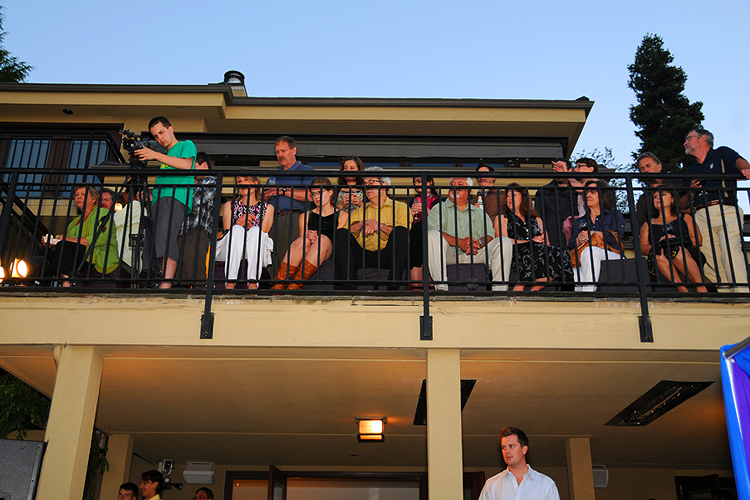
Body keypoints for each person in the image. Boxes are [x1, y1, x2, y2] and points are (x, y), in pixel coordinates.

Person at [682, 128, 750, 293]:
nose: (685, 143)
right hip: (699, 214)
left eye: (689, 138)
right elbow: (682, 205)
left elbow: (739, 161)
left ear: (703, 139)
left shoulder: (721, 154)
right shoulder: (690, 171)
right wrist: (692, 191)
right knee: (709, 257)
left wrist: (746, 168)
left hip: (725, 208)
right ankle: (726, 293)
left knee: (730, 250)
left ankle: (741, 293)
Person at [135, 116, 196, 289]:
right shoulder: (165, 156)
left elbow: (186, 165)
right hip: (159, 200)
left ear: (171, 129)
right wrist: (149, 196)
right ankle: (153, 280)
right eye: (156, 136)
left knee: (166, 238)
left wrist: (155, 155)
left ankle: (165, 284)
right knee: (152, 240)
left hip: (175, 197)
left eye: (161, 132)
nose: (159, 138)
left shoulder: (185, 145)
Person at [427, 177, 512, 291]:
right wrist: (460, 242)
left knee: (504, 241)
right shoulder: (438, 208)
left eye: (460, 184)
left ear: (469, 190)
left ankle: (499, 291)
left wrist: (479, 243)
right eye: (452, 184)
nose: (454, 187)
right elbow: (434, 231)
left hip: (476, 253)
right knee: (432, 234)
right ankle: (441, 287)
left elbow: (490, 235)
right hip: (450, 254)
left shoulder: (478, 212)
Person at [334, 166, 411, 290]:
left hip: (388, 254)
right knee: (341, 233)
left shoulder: (400, 207)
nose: (367, 187)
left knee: (401, 232)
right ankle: (348, 287)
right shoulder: (360, 211)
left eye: (371, 183)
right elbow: (346, 231)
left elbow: (403, 232)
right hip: (363, 254)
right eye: (365, 184)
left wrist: (379, 226)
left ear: (384, 185)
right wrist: (362, 224)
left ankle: (394, 284)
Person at [499, 183, 573, 291]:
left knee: (560, 252)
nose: (510, 198)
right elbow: (502, 241)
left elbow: (546, 242)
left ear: (523, 197)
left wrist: (541, 241)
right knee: (532, 249)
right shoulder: (502, 218)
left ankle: (538, 289)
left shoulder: (536, 219)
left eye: (514, 195)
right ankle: (518, 288)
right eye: (508, 196)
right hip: (516, 252)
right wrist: (530, 241)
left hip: (537, 251)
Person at [41, 185, 119, 286]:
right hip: (77, 256)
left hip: (93, 254)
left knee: (64, 246)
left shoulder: (102, 212)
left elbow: (101, 239)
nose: (79, 197)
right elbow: (66, 242)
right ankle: (41, 284)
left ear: (94, 199)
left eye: (83, 194)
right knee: (46, 251)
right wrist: (53, 244)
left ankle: (66, 283)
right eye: (76, 195)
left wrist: (68, 240)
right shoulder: (74, 222)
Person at [272, 177, 341, 289]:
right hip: (311, 251)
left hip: (329, 250)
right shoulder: (305, 216)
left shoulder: (342, 214)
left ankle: (296, 284)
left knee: (322, 239)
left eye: (320, 193)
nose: (316, 197)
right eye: (313, 194)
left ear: (330, 192)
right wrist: (309, 237)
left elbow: (340, 240)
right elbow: (302, 243)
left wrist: (318, 238)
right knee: (303, 240)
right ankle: (279, 283)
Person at [640, 188, 707, 293]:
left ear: (672, 199)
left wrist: (675, 241)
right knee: (657, 254)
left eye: (663, 195)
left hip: (687, 253)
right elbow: (642, 248)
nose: (658, 198)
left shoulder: (685, 217)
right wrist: (661, 244)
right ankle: (681, 288)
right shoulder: (647, 224)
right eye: (655, 197)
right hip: (661, 256)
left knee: (676, 250)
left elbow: (698, 240)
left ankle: (701, 287)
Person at [263, 136, 315, 272]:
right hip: (271, 220)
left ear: (294, 150)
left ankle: (290, 284)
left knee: (292, 258)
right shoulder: (274, 175)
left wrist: (283, 190)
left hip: (294, 218)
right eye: (277, 152)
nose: (280, 155)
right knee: (271, 259)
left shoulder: (306, 170)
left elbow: (311, 195)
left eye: (283, 151)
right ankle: (274, 284)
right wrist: (264, 198)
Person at [216, 175, 274, 289]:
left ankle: (253, 281)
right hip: (232, 247)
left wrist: (250, 226)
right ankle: (230, 281)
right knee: (236, 229)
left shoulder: (268, 208)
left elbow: (264, 232)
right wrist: (238, 223)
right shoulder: (230, 205)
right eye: (239, 181)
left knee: (256, 231)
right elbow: (227, 230)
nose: (242, 183)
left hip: (254, 248)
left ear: (256, 183)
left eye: (246, 180)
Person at [568, 180, 625, 292]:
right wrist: (579, 240)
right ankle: (581, 301)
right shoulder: (579, 221)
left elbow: (617, 237)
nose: (588, 195)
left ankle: (588, 293)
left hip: (613, 255)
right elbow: (571, 244)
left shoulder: (614, 215)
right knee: (575, 272)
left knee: (590, 251)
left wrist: (595, 234)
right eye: (586, 193)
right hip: (586, 257)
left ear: (603, 196)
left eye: (592, 192)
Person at [478, 426, 560, 500]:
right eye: (504, 447)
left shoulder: (546, 484)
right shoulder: (491, 485)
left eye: (511, 446)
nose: (507, 451)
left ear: (524, 449)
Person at [177, 152, 216, 286]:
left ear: (204, 165)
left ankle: (201, 292)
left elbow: (197, 200)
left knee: (194, 264)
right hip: (184, 229)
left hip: (197, 227)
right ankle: (179, 294)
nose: (191, 170)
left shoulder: (212, 182)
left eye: (193, 166)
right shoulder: (194, 185)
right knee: (180, 269)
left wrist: (178, 198)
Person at [535, 159, 577, 248]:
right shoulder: (543, 191)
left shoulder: (577, 192)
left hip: (574, 238)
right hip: (552, 238)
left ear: (569, 170)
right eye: (556, 168)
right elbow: (538, 216)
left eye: (561, 168)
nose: (558, 171)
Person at [409, 175, 439, 288]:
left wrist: (427, 211)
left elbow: (440, 220)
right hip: (416, 237)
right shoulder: (413, 201)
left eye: (419, 181)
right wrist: (411, 213)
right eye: (415, 182)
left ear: (430, 182)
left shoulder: (438, 201)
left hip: (430, 235)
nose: (416, 184)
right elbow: (407, 221)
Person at [113, 185, 143, 274]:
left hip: (126, 260)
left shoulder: (135, 207)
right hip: (128, 259)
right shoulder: (136, 209)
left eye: (125, 193)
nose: (123, 196)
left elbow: (111, 222)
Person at [635, 152, 666, 229]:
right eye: (642, 169)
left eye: (648, 166)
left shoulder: (677, 184)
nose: (645, 170)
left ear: (659, 167)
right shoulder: (643, 199)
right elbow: (641, 225)